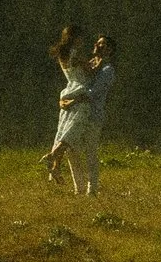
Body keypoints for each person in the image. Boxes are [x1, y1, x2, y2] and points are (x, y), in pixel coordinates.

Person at [64, 35, 116, 196]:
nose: (98, 46)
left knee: (90, 151)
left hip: (93, 115)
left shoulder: (108, 70)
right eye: (98, 43)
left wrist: (72, 101)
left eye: (102, 44)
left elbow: (93, 93)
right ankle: (79, 187)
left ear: (109, 50)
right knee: (70, 150)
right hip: (79, 114)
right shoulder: (90, 65)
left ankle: (91, 190)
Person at [45, 26, 86, 185]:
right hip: (79, 90)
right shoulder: (75, 55)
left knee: (63, 130)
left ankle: (55, 166)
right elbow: (89, 71)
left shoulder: (63, 55)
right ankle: (53, 155)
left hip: (69, 89)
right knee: (71, 131)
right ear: (75, 38)